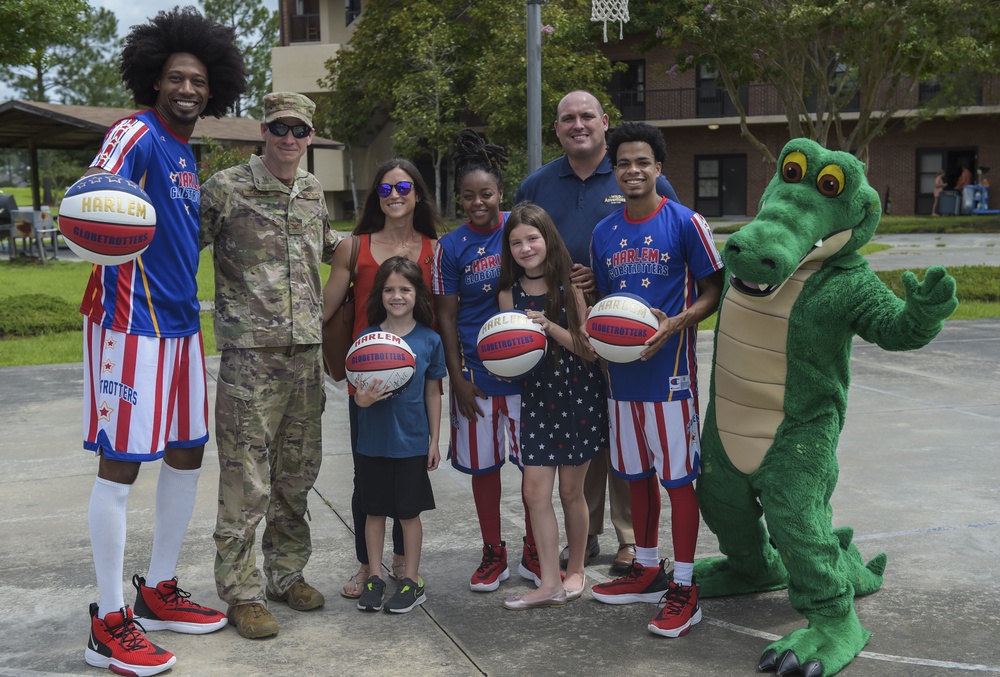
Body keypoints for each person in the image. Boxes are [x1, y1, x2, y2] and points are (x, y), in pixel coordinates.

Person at [79, 8, 246, 676]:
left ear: (213, 90)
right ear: (154, 80)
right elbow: (94, 187)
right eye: (177, 77)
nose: (188, 88)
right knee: (122, 462)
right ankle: (109, 621)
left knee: (186, 449)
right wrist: (91, 202)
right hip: (129, 320)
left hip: (180, 323)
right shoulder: (136, 132)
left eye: (199, 81)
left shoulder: (183, 150)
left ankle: (158, 589)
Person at [515, 90, 680, 574]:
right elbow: (521, 244)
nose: (578, 124)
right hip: (565, 333)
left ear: (605, 122)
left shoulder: (637, 172)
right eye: (568, 118)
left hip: (627, 329)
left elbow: (671, 243)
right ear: (557, 128)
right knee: (579, 433)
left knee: (624, 435)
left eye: (588, 116)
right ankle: (583, 537)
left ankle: (630, 538)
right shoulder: (538, 184)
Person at [200, 92, 336, 638]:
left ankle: (286, 575)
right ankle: (242, 592)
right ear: (263, 130)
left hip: (305, 357)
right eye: (279, 127)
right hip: (249, 360)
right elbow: (183, 248)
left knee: (296, 475)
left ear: (308, 137)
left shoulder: (311, 190)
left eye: (298, 130)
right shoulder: (227, 188)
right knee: (245, 479)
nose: (288, 138)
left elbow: (327, 249)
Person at [587, 122, 723, 638]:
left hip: (670, 380)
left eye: (643, 162)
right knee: (636, 475)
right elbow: (608, 307)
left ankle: (685, 587)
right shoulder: (604, 233)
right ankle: (647, 568)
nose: (633, 171)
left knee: (678, 481)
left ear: (659, 169)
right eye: (623, 163)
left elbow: (714, 290)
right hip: (621, 382)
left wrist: (675, 323)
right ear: (614, 171)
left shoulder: (687, 222)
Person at [322, 158, 441, 599]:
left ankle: (400, 562)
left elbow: (443, 314)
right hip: (367, 384)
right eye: (386, 189)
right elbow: (326, 309)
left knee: (407, 478)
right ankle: (364, 565)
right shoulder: (353, 247)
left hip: (414, 380)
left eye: (404, 187)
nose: (395, 196)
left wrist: (447, 371)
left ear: (417, 193)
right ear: (376, 196)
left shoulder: (434, 248)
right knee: (366, 477)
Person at [431, 130, 536, 593]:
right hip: (476, 376)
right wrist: (458, 378)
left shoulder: (520, 228)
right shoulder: (450, 247)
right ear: (460, 198)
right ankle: (494, 549)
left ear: (501, 194)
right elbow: (446, 317)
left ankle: (535, 544)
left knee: (534, 467)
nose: (479, 203)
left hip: (526, 373)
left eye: (487, 194)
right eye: (469, 196)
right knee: (485, 470)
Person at [496, 202, 607, 610]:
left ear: (548, 240)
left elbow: (589, 350)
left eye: (532, 239)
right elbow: (509, 350)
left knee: (570, 491)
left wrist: (548, 326)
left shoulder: (570, 286)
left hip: (578, 393)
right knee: (533, 492)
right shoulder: (509, 291)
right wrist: (504, 362)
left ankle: (575, 569)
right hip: (538, 398)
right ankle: (548, 582)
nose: (525, 248)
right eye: (516, 242)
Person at [353, 256, 446, 613]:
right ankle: (374, 577)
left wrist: (434, 440)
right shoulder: (367, 339)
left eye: (404, 289)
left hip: (410, 442)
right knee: (374, 512)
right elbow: (358, 392)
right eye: (389, 289)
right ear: (380, 293)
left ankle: (412, 581)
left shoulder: (429, 340)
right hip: (373, 443)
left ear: (416, 293)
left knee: (408, 514)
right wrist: (362, 399)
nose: (397, 296)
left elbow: (432, 393)